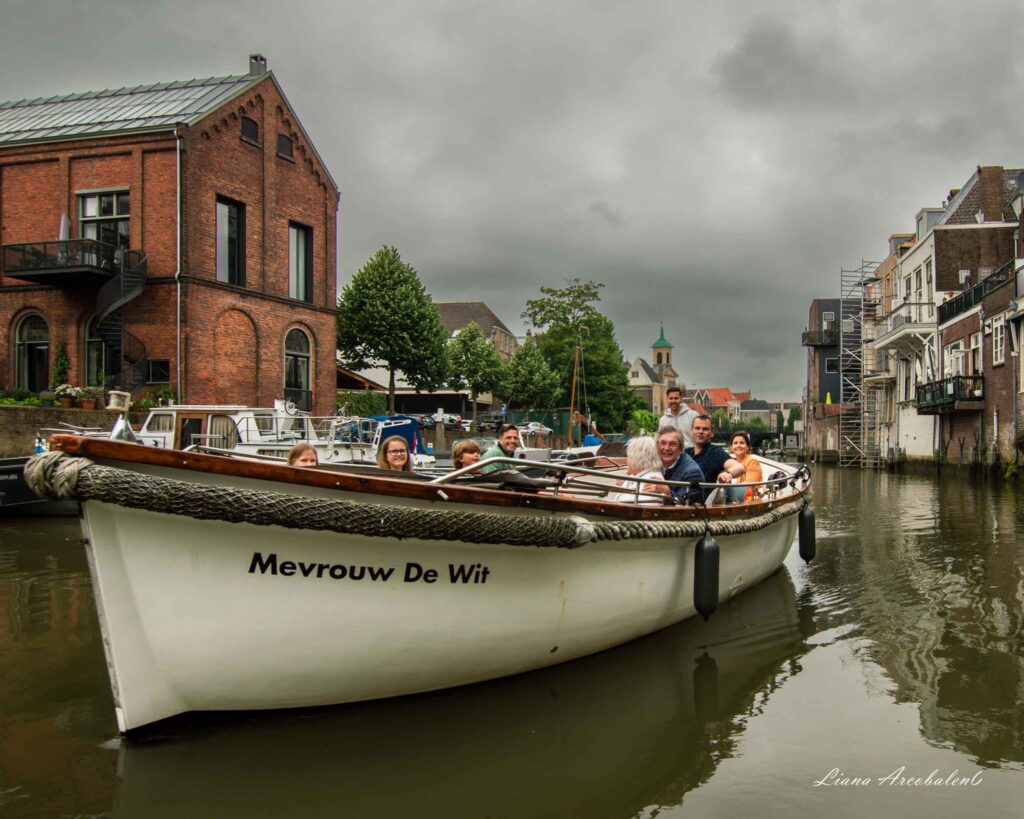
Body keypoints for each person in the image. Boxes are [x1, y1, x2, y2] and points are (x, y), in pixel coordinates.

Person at [685, 415, 745, 499]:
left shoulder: (715, 452)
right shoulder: (686, 453)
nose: (700, 431)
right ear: (691, 431)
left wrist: (727, 474)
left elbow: (739, 467)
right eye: (697, 428)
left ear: (712, 433)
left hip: (703, 505)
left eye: (705, 429)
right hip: (681, 501)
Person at [606, 436, 668, 503]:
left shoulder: (651, 480)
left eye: (628, 456)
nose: (627, 460)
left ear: (638, 458)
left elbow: (644, 509)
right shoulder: (638, 475)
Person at [655, 427, 704, 503]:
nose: (667, 448)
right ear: (657, 446)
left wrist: (668, 493)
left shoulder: (692, 473)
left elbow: (687, 504)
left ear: (681, 448)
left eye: (672, 444)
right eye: (663, 443)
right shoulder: (651, 462)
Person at [727, 430, 763, 503]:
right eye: (735, 443)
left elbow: (749, 489)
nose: (738, 445)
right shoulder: (732, 463)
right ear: (731, 448)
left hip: (751, 502)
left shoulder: (752, 462)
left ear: (748, 447)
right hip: (738, 500)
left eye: (742, 443)